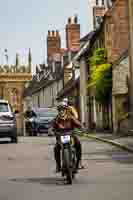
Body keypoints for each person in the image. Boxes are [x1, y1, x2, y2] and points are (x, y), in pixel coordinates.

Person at [52, 101, 82, 172]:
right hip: (60, 137)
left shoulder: (70, 117)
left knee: (78, 144)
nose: (61, 111)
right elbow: (52, 126)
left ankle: (78, 163)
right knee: (56, 148)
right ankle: (58, 166)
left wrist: (82, 129)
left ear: (66, 110)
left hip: (71, 135)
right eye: (60, 110)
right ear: (58, 111)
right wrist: (50, 130)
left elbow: (78, 124)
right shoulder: (57, 119)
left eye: (63, 109)